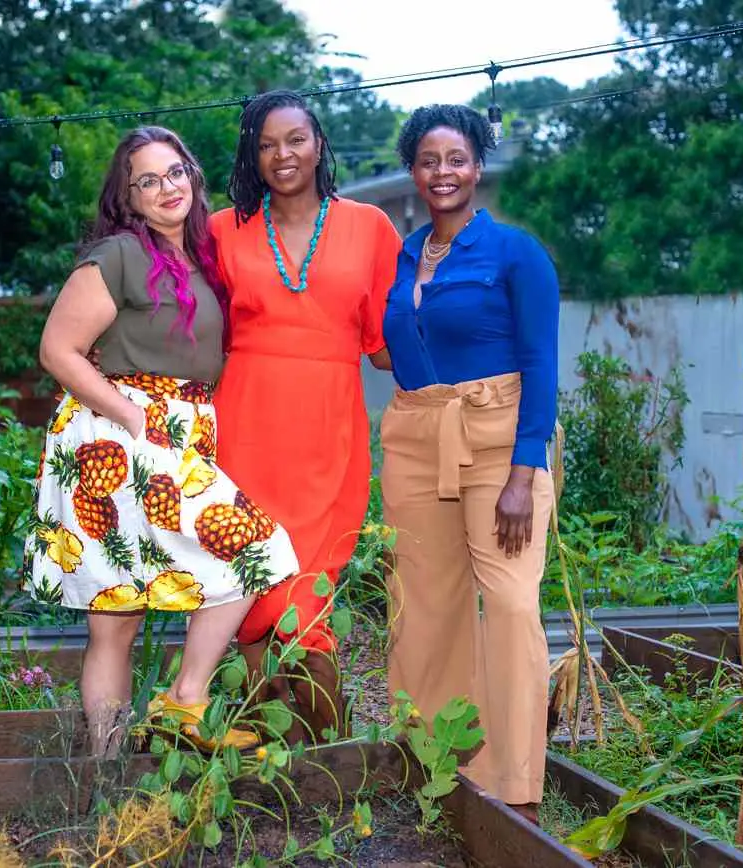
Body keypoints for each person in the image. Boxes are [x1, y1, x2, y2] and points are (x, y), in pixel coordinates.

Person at [24, 125, 300, 757]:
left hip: (177, 433)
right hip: (116, 440)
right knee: (121, 616)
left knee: (239, 560)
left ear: (192, 177)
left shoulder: (201, 258)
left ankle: (180, 705)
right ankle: (111, 765)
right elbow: (57, 349)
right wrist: (129, 414)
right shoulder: (120, 253)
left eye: (174, 172)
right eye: (147, 180)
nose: (165, 187)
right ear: (129, 196)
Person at [378, 104, 560, 824]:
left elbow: (542, 364)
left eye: (456, 159)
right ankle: (433, 765)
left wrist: (524, 472)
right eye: (428, 160)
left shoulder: (516, 254)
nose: (442, 172)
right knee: (424, 609)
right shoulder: (406, 252)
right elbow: (401, 340)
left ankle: (514, 784)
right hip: (417, 437)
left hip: (496, 440)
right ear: (414, 171)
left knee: (512, 604)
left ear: (477, 167)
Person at [210, 90, 402, 743]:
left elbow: (387, 344)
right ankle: (273, 746)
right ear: (252, 155)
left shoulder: (371, 226)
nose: (281, 154)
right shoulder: (219, 229)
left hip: (327, 430)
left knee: (306, 597)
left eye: (294, 139)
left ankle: (331, 748)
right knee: (250, 591)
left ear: (319, 142)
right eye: (266, 144)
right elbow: (180, 318)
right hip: (242, 427)